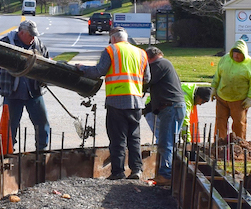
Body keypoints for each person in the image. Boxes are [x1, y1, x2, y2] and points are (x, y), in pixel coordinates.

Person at [76, 27, 150, 179]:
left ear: (113, 39)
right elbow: (147, 78)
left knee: (118, 138)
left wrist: (81, 68)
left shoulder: (111, 50)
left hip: (117, 100)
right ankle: (136, 170)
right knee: (134, 138)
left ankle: (118, 172)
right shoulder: (141, 53)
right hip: (136, 101)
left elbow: (99, 71)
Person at [0, 19, 51, 151]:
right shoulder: (6, 43)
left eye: (34, 35)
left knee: (42, 123)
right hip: (12, 93)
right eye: (30, 35)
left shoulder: (38, 45)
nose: (33, 38)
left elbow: (48, 64)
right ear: (21, 32)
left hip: (34, 92)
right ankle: (8, 152)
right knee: (10, 126)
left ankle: (42, 150)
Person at [143, 46, 186, 179]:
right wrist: (145, 110)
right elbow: (160, 91)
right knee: (170, 141)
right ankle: (170, 172)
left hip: (170, 108)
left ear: (148, 58)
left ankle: (166, 174)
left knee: (166, 142)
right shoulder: (164, 65)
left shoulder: (159, 64)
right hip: (173, 107)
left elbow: (146, 82)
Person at [212, 39, 251, 140]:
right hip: (222, 98)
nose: (236, 56)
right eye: (234, 53)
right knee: (220, 122)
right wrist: (213, 88)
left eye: (239, 54)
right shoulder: (225, 59)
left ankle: (238, 145)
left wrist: (250, 98)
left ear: (244, 54)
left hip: (239, 101)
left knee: (239, 124)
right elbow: (217, 75)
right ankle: (220, 145)